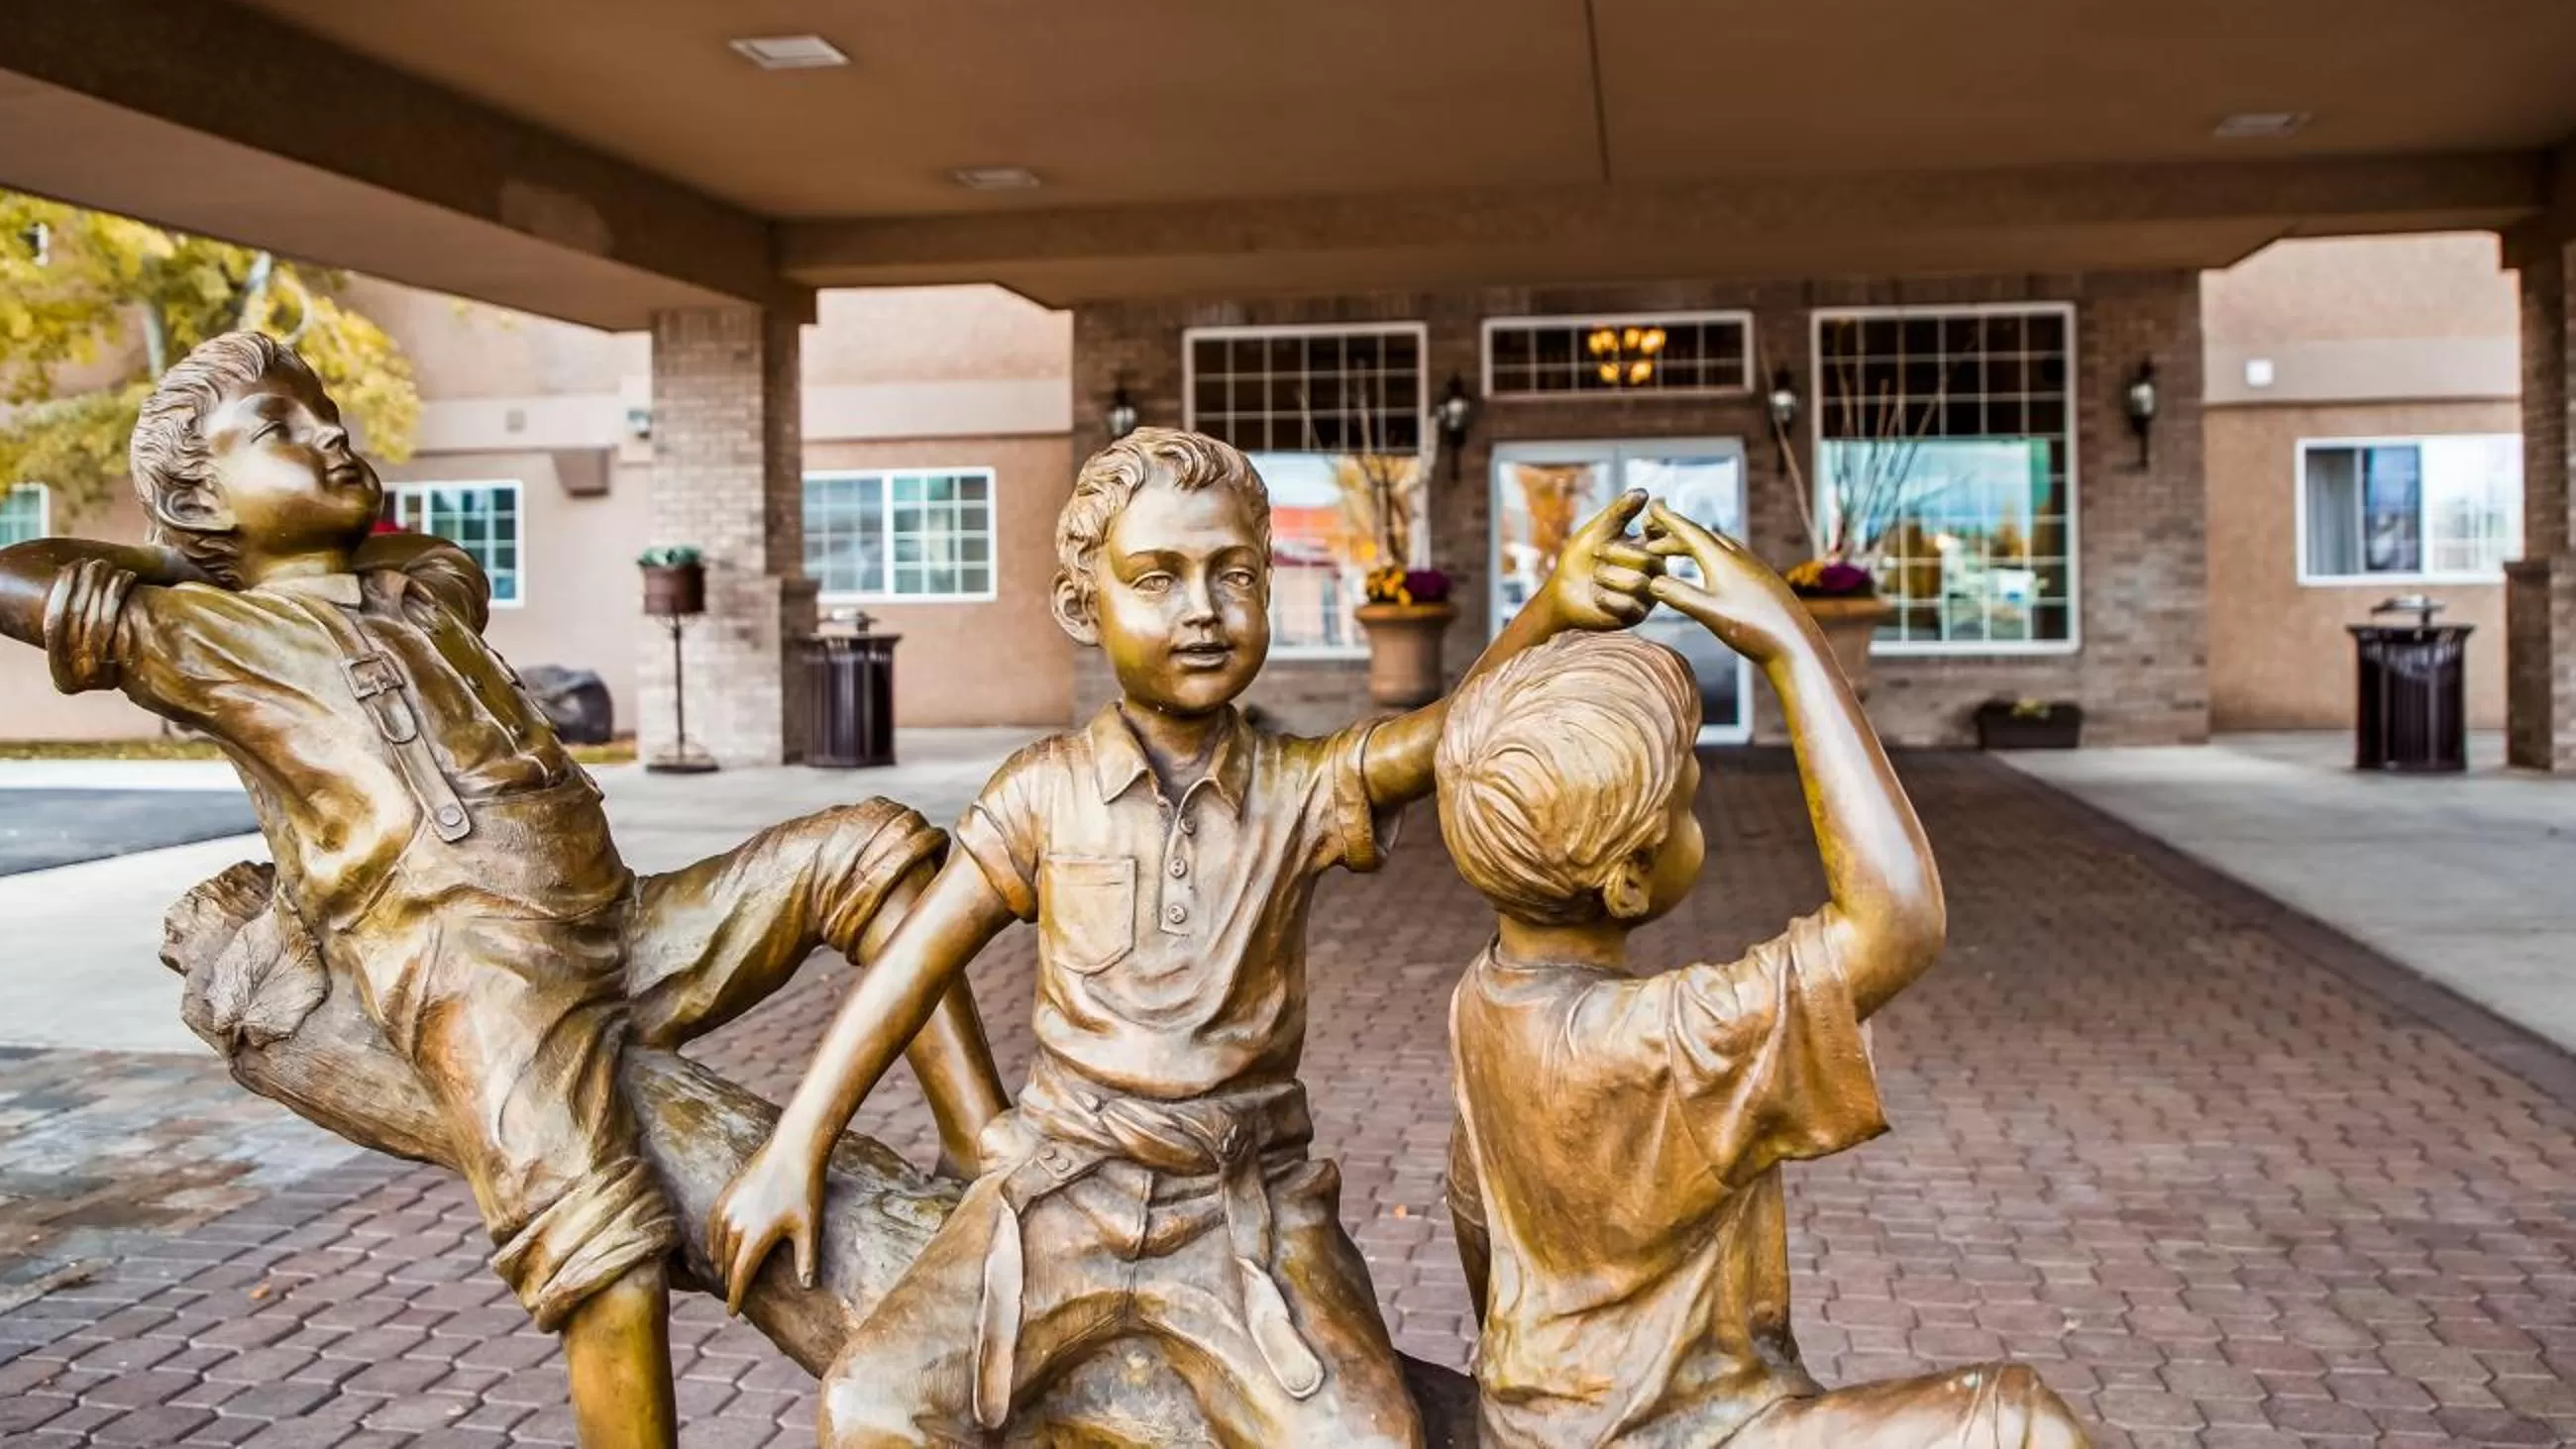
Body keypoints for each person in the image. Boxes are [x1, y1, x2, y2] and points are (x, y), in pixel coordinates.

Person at [0, 331, 1007, 1449]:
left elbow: (430, 544)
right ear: (200, 501)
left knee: (871, 852)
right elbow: (3, 580)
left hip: (627, 924)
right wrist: (180, 560)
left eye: (327, 416)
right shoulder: (211, 636)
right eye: (279, 430)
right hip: (477, 969)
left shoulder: (426, 592)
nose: (329, 434)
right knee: (598, 1244)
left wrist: (322, 535)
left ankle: (982, 1147)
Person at [709, 427, 1663, 1446]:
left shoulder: (1299, 787)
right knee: (871, 1403)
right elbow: (912, 964)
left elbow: (1445, 736)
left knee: (1372, 1438)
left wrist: (1551, 609)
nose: (1203, 608)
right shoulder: (1041, 793)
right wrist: (796, 1145)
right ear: (1084, 605)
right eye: (1157, 578)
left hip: (1245, 1207)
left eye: (1234, 575)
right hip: (1056, 1195)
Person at [1433, 502, 2093, 1447]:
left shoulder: (1485, 997)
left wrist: (1546, 616)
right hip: (1681, 1431)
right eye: (1690, 803)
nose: (1700, 818)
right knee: (2017, 1423)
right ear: (1629, 879)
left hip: (1533, 1418)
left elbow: (1476, 1211)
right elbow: (1896, 923)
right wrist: (1793, 645)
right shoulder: (1662, 1042)